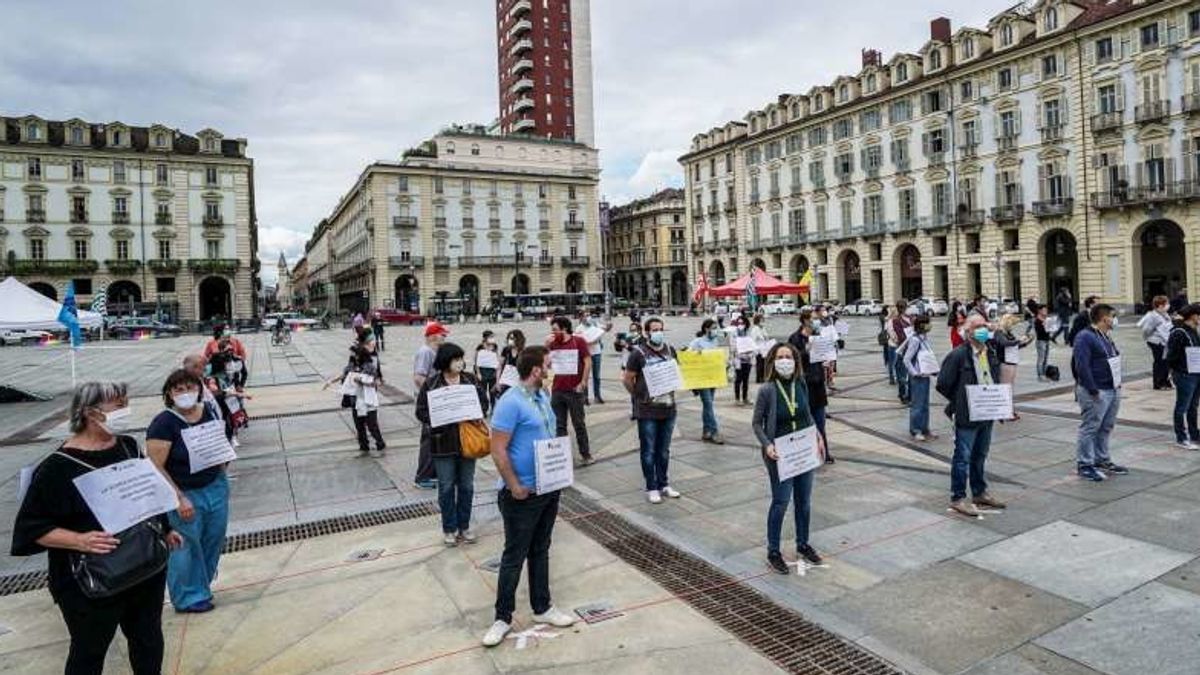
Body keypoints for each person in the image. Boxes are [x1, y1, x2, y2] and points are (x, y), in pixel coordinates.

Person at [12, 382, 182, 675]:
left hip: (144, 568)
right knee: (89, 652)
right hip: (90, 582)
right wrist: (79, 540)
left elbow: (145, 494)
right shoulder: (57, 468)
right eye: (119, 405)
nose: (126, 411)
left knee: (148, 640)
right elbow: (31, 528)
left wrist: (165, 530)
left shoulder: (128, 446)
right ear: (91, 414)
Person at [483, 346, 577, 647]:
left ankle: (543, 606)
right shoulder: (510, 402)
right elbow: (497, 449)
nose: (550, 368)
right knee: (514, 554)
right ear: (536, 369)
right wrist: (514, 485)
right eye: (547, 364)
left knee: (541, 549)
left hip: (548, 486)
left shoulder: (541, 396)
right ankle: (502, 617)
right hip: (521, 492)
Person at [146, 369, 231, 613]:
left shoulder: (209, 411)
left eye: (190, 388)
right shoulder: (164, 423)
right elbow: (155, 466)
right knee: (185, 544)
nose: (185, 394)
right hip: (184, 492)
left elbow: (221, 441)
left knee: (212, 538)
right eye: (179, 390)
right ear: (169, 394)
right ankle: (187, 596)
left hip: (214, 484)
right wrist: (178, 497)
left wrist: (222, 473)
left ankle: (201, 585)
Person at [752, 342, 825, 574]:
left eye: (789, 356)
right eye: (780, 357)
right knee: (781, 501)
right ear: (773, 361)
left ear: (796, 361)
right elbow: (756, 423)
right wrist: (767, 445)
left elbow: (807, 415)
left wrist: (818, 435)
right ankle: (773, 550)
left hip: (803, 450)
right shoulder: (767, 390)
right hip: (781, 453)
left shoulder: (800, 384)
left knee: (804, 501)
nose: (785, 360)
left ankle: (802, 543)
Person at [416, 343, 489, 545]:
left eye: (461, 359)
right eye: (456, 359)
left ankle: (464, 526)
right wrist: (438, 416)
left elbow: (484, 403)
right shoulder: (431, 384)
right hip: (442, 443)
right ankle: (449, 528)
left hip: (468, 441)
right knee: (446, 487)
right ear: (445, 361)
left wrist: (476, 413)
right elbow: (420, 411)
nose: (460, 363)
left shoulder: (470, 381)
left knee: (466, 486)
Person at [936, 313, 1006, 517]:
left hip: (987, 412)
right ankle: (958, 498)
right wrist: (961, 401)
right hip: (968, 414)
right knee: (962, 457)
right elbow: (943, 384)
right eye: (978, 326)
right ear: (968, 332)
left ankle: (979, 492)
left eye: (984, 325)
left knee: (980, 454)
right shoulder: (958, 355)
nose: (983, 329)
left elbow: (993, 379)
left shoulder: (989, 352)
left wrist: (998, 406)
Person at [623, 316, 681, 504]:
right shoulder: (638, 353)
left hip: (668, 407)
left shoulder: (670, 350)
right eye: (654, 330)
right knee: (648, 450)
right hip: (647, 410)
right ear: (647, 332)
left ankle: (664, 484)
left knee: (663, 450)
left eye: (660, 329)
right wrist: (639, 396)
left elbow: (675, 372)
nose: (658, 333)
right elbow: (627, 379)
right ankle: (651, 486)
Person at [1071, 303, 1129, 481]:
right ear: (1105, 318)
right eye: (1113, 316)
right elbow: (1081, 365)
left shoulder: (1105, 335)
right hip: (1096, 390)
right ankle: (1085, 464)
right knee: (1090, 427)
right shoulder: (1085, 336)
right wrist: (1092, 388)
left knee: (1106, 427)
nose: (1114, 319)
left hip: (1112, 387)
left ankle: (1102, 459)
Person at [547, 316, 594, 465]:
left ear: (564, 328)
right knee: (559, 425)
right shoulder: (553, 343)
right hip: (557, 389)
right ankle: (563, 456)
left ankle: (585, 454)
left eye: (555, 330)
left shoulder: (578, 341)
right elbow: (546, 363)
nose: (553, 333)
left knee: (579, 423)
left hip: (574, 389)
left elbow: (587, 361)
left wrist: (583, 382)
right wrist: (546, 346)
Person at [788, 310, 833, 463]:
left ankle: (824, 452)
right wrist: (805, 351)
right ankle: (806, 454)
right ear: (805, 320)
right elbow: (791, 358)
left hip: (818, 383)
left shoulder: (818, 336)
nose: (817, 321)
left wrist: (827, 360)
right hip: (804, 383)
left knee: (820, 421)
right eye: (814, 319)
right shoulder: (795, 338)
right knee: (805, 421)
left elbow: (824, 353)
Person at [412, 322, 449, 489]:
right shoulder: (426, 352)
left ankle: (431, 473)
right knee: (428, 440)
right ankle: (422, 477)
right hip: (429, 403)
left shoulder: (433, 352)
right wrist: (433, 396)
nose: (445, 337)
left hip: (434, 401)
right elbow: (419, 378)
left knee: (435, 439)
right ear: (434, 336)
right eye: (443, 334)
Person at [899, 315, 939, 442]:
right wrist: (914, 372)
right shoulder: (915, 340)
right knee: (917, 404)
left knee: (925, 404)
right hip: (918, 377)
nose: (930, 325)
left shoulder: (924, 338)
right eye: (928, 323)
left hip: (925, 375)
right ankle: (916, 430)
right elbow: (906, 359)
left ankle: (925, 429)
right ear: (922, 325)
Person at [346, 331, 386, 456]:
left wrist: (369, 382)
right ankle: (363, 445)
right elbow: (348, 371)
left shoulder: (373, 357)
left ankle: (380, 443)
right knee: (358, 422)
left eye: (373, 340)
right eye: (371, 341)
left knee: (371, 422)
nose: (374, 343)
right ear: (364, 344)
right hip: (355, 394)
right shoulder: (354, 356)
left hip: (369, 395)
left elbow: (378, 378)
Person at [1166, 304, 1200, 450]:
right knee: (1182, 407)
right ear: (1194, 316)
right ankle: (1181, 437)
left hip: (1196, 373)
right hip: (1185, 374)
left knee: (1193, 406)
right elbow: (1171, 356)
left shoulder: (1193, 330)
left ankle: (1194, 434)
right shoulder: (1179, 332)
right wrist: (1177, 371)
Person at [688, 318, 726, 444]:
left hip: (713, 377)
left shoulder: (714, 341)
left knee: (707, 406)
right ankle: (714, 432)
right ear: (706, 329)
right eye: (713, 328)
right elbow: (688, 355)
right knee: (708, 404)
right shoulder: (697, 341)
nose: (715, 331)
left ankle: (706, 432)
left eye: (716, 328)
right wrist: (696, 354)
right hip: (702, 378)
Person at [1138, 295, 1172, 390]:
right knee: (1159, 362)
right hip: (1156, 342)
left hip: (1164, 341)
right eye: (1166, 304)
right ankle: (1158, 383)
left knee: (1166, 362)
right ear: (1160, 305)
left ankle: (1165, 381)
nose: (1168, 305)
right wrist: (1150, 337)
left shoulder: (1165, 314)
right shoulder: (1153, 316)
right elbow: (1146, 330)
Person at [993, 313, 1032, 393]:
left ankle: (1009, 402)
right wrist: (1019, 340)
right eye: (1012, 324)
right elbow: (1005, 343)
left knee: (1010, 385)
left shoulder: (1009, 333)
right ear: (1008, 323)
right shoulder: (999, 333)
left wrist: (1026, 343)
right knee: (1005, 386)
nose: (1013, 327)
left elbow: (1013, 347)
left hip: (1012, 361)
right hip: (1005, 362)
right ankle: (1005, 403)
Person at [886, 301, 913, 404]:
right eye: (907, 308)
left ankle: (910, 395)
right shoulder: (896, 320)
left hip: (910, 349)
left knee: (910, 374)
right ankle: (902, 394)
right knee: (901, 374)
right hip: (903, 349)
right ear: (903, 308)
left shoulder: (910, 319)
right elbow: (899, 336)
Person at [580, 315, 610, 404]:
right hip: (585, 354)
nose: (587, 318)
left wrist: (608, 324)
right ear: (581, 318)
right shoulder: (579, 328)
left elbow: (606, 329)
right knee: (585, 375)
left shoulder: (595, 325)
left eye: (588, 315)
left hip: (596, 353)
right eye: (584, 316)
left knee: (596, 376)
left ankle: (597, 396)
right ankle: (585, 397)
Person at [495, 329, 526, 399]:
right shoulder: (506, 350)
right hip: (506, 380)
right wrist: (497, 381)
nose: (510, 340)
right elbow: (499, 366)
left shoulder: (523, 352)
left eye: (512, 338)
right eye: (509, 338)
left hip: (517, 381)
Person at [731, 317, 755, 405]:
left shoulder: (748, 333)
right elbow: (733, 347)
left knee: (746, 380)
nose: (741, 325)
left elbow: (753, 345)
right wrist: (740, 354)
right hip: (738, 360)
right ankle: (737, 399)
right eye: (739, 323)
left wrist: (750, 354)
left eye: (742, 323)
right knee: (738, 379)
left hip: (748, 360)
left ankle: (745, 398)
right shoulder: (734, 334)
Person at [475, 330, 500, 408]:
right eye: (490, 337)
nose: (492, 338)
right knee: (483, 391)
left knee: (492, 391)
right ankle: (484, 408)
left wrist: (497, 371)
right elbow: (476, 361)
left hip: (492, 371)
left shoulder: (495, 346)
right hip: (482, 371)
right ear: (485, 338)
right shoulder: (480, 347)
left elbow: (497, 359)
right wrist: (478, 373)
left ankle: (493, 407)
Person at [1033, 305, 1052, 381]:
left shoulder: (1046, 319)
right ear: (1040, 311)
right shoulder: (1037, 320)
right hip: (1041, 341)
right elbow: (1040, 332)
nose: (1046, 311)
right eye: (1044, 310)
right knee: (1041, 359)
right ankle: (1040, 375)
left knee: (1046, 358)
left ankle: (1044, 374)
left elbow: (1049, 330)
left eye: (1046, 310)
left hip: (1047, 340)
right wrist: (1045, 325)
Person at [751, 314, 770, 383]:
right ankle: (759, 378)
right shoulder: (755, 329)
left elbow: (766, 337)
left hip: (764, 349)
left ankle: (763, 377)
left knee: (764, 364)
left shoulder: (763, 328)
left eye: (763, 320)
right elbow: (753, 340)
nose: (762, 321)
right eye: (761, 320)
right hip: (758, 349)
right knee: (759, 364)